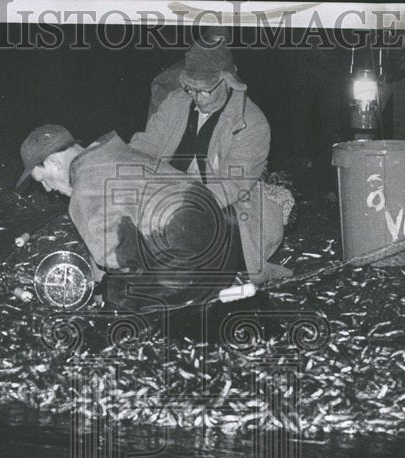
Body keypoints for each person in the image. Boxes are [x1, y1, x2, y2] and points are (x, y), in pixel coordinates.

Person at [16, 124, 243, 307]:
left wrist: (102, 296)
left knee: (116, 299)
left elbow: (122, 262)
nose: (47, 189)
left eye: (43, 179)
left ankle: (212, 312)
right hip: (225, 246)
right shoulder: (113, 151)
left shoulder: (84, 192)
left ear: (54, 163)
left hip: (196, 271)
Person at [129, 37, 291, 285]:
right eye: (191, 89)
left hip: (224, 202)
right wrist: (128, 165)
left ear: (227, 81)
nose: (198, 98)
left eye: (205, 89)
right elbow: (148, 144)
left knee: (220, 233)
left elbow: (232, 185)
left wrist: (178, 208)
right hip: (169, 191)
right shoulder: (176, 102)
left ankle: (246, 268)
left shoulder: (252, 123)